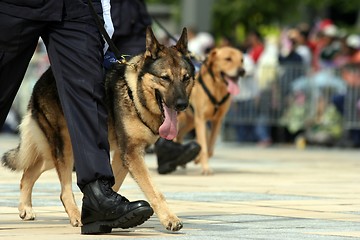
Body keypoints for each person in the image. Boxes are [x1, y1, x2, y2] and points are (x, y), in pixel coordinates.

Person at [0, 0, 153, 235]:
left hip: (77, 8)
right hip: (13, 5)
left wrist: (104, 15)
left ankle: (97, 196)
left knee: (89, 95)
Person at [109, 0, 201, 174]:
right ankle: (85, 144)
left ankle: (166, 146)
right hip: (100, 24)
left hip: (135, 23)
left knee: (153, 89)